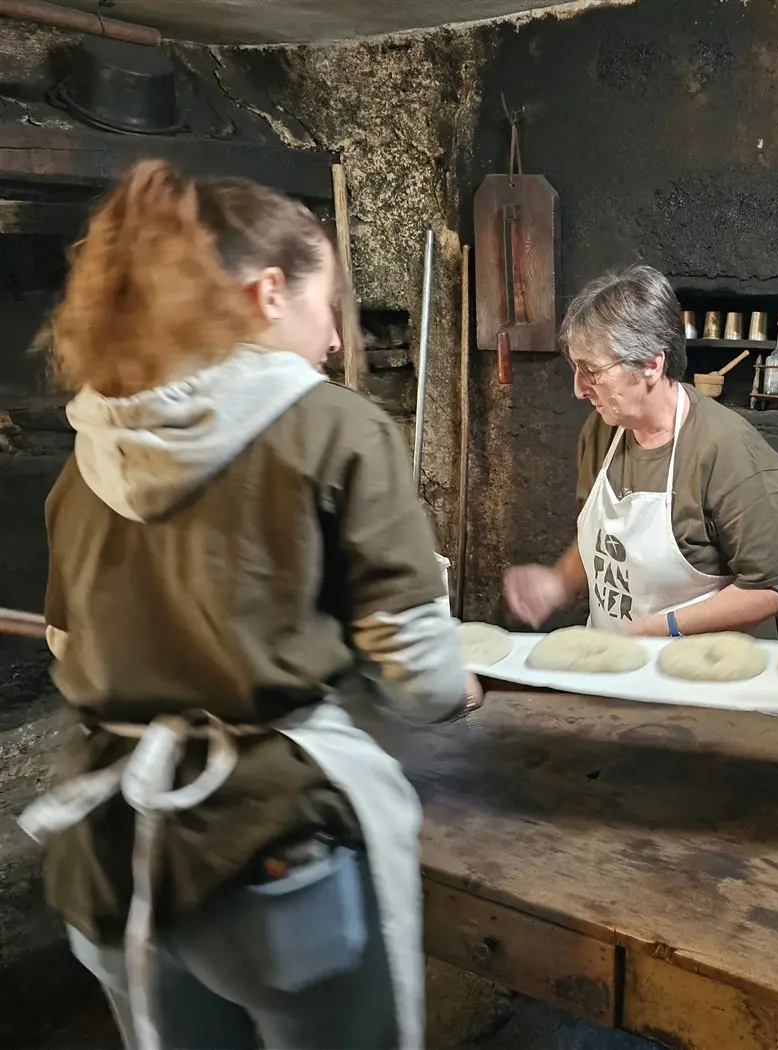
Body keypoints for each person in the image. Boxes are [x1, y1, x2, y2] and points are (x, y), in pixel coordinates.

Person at [19, 160, 477, 1050]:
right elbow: (419, 677)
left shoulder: (89, 451)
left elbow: (68, 650)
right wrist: (460, 689)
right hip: (271, 862)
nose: (336, 341)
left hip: (114, 857)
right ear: (270, 293)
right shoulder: (335, 428)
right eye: (327, 306)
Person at [504, 264, 778, 639]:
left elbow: (775, 588)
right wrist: (558, 583)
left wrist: (664, 628)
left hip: (707, 677)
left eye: (591, 371)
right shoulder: (602, 432)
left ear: (650, 364)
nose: (579, 389)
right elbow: (605, 545)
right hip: (620, 667)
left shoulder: (730, 454)